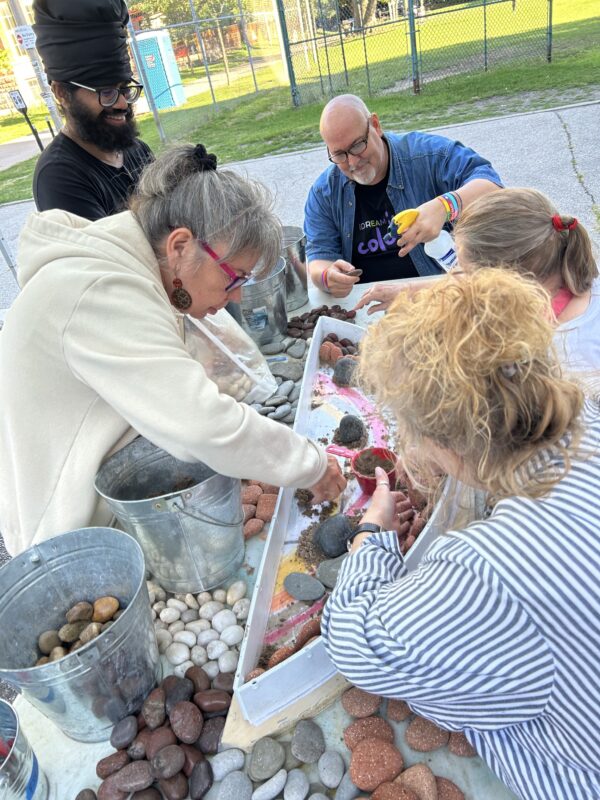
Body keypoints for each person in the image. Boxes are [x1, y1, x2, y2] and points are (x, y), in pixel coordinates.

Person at [322, 269, 600, 800]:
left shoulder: (487, 569)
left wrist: (371, 536)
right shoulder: (589, 407)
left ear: (440, 440)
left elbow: (354, 645)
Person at [0, 144, 345, 557]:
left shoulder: (127, 264)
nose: (235, 297)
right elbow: (202, 424)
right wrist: (311, 464)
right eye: (233, 278)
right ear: (180, 246)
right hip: (66, 535)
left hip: (105, 491)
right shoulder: (101, 291)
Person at [357, 188, 600, 393]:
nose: (457, 280)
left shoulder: (555, 357)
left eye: (466, 272)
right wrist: (407, 290)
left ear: (507, 282)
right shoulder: (556, 267)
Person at [304, 94, 502, 297]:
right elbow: (320, 257)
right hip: (366, 304)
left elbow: (493, 188)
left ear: (375, 125)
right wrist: (328, 276)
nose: (353, 162)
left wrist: (444, 206)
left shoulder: (428, 155)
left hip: (438, 296)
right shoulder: (323, 193)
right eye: (339, 154)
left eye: (357, 145)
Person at [32, 0, 153, 220]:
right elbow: (114, 252)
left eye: (124, 88)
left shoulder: (138, 150)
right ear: (61, 92)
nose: (122, 104)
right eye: (106, 92)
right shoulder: (59, 177)